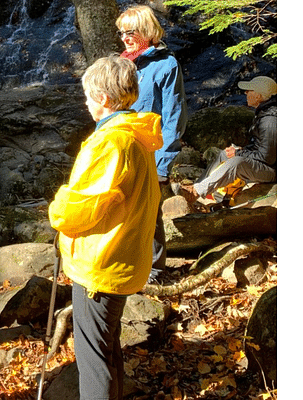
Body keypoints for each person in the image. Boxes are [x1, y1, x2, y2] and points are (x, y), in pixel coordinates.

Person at [48, 55, 163, 400]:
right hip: (123, 258)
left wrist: (57, 205)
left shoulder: (111, 142)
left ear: (103, 98)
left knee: (94, 360)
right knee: (108, 350)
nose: (85, 102)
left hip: (101, 266)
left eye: (87, 95)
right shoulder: (136, 137)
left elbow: (78, 209)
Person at [116, 4, 188, 273]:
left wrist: (162, 163)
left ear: (147, 29)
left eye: (130, 31)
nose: (124, 37)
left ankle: (155, 272)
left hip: (150, 151)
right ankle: (126, 268)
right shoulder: (123, 63)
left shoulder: (166, 64)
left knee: (149, 215)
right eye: (121, 32)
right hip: (121, 150)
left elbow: (174, 117)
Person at [183, 76, 277, 204]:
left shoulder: (269, 120)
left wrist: (239, 153)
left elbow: (267, 158)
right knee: (223, 154)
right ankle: (200, 188)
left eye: (249, 90)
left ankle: (196, 192)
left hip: (272, 171)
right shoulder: (264, 112)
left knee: (236, 162)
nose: (246, 93)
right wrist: (241, 150)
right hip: (265, 164)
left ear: (259, 96)